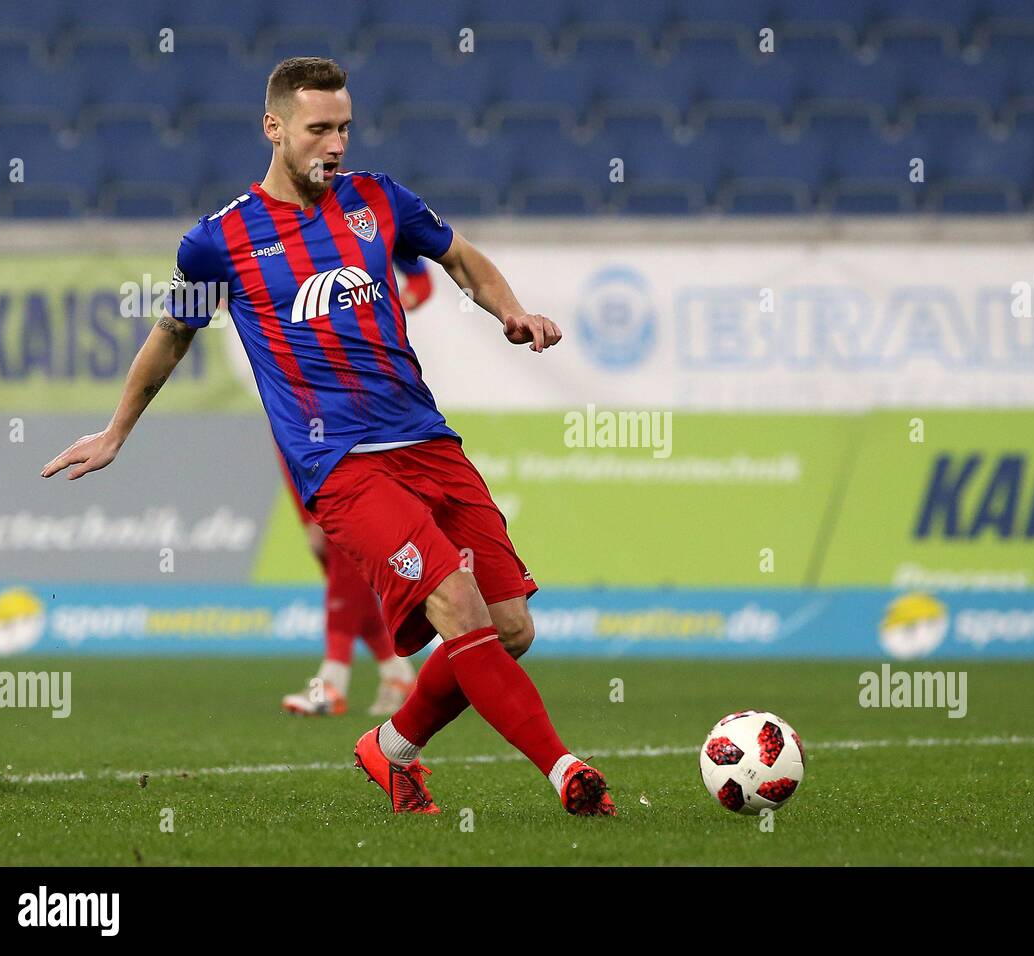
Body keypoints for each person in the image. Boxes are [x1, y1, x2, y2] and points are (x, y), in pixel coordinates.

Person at [41, 56, 614, 817]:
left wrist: (506, 309)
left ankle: (391, 748)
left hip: (426, 441)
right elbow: (172, 335)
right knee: (455, 603)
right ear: (274, 128)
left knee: (509, 628)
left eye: (343, 128)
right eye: (318, 129)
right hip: (340, 466)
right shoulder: (219, 242)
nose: (334, 145)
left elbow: (462, 258)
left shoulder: (379, 200)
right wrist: (118, 430)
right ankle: (565, 771)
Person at [279, 257, 433, 718]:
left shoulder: (365, 215)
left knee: (345, 569)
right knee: (345, 575)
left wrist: (394, 304)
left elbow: (423, 277)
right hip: (306, 443)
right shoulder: (282, 356)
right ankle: (398, 672)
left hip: (356, 442)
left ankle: (332, 680)